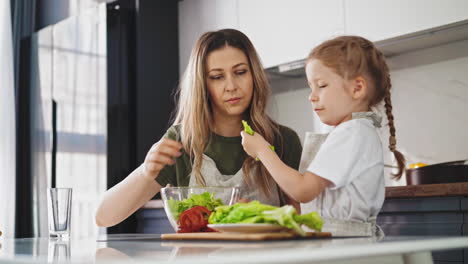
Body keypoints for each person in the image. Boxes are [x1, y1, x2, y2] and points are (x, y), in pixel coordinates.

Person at [95, 29, 303, 227]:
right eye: (217, 77)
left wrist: (260, 216)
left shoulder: (283, 140)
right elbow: (104, 216)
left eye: (240, 72)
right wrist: (145, 172)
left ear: (254, 76)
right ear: (203, 84)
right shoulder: (181, 141)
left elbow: (301, 223)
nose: (231, 86)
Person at [240, 36, 405, 236]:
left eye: (322, 85)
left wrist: (262, 150)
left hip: (342, 245)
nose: (312, 96)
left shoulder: (352, 132)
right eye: (311, 87)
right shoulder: (358, 131)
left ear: (357, 88)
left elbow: (303, 190)